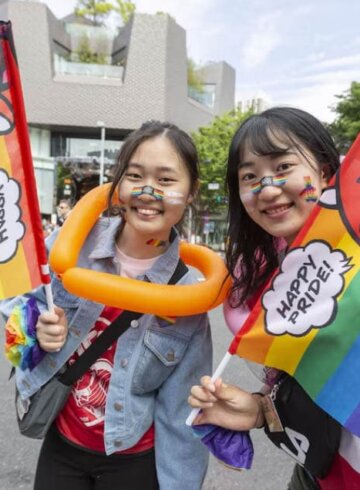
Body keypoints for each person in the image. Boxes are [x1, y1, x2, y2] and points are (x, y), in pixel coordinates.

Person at [1, 121, 212, 489]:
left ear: (191, 191)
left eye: (166, 180)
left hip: (132, 459)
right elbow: (16, 301)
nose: (148, 191)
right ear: (117, 184)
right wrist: (35, 327)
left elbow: (182, 412)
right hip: (62, 444)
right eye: (134, 175)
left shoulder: (190, 295)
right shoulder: (74, 242)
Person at [188, 107, 359, 489]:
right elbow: (313, 389)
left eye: (283, 166)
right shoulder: (267, 279)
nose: (266, 188)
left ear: (325, 169)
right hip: (321, 475)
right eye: (250, 176)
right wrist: (258, 409)